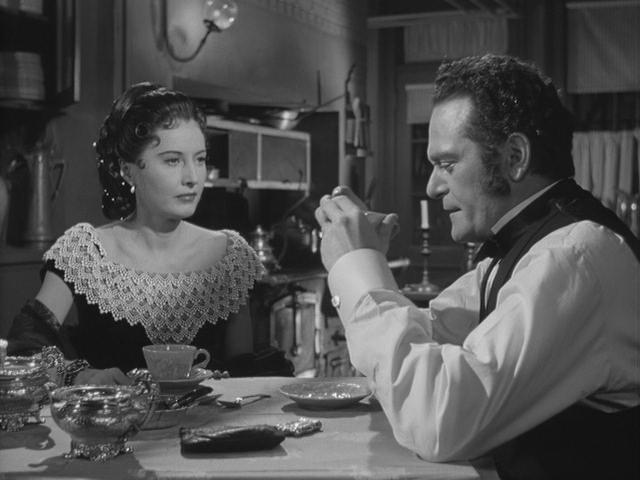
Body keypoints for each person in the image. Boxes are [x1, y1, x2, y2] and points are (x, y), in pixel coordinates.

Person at [315, 54, 639, 479]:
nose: (432, 186)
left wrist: (356, 266)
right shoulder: (527, 243)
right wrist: (366, 264)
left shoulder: (575, 256)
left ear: (515, 156)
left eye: (447, 164)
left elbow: (437, 420)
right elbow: (433, 333)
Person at [7, 82, 292, 385]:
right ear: (127, 170)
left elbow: (242, 375)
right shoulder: (86, 251)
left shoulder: (229, 255)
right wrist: (81, 376)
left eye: (199, 159)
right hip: (113, 415)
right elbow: (26, 349)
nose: (192, 177)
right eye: (173, 160)